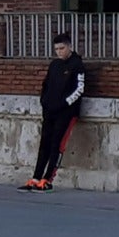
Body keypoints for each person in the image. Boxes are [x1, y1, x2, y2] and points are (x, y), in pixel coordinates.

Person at [21, 32, 86, 193]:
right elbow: (46, 85)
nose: (59, 52)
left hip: (66, 112)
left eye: (62, 48)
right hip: (49, 111)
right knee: (44, 143)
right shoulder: (54, 65)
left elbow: (80, 89)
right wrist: (44, 102)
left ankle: (48, 180)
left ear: (69, 47)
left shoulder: (77, 65)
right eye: (56, 49)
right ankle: (36, 178)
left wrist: (64, 104)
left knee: (57, 145)